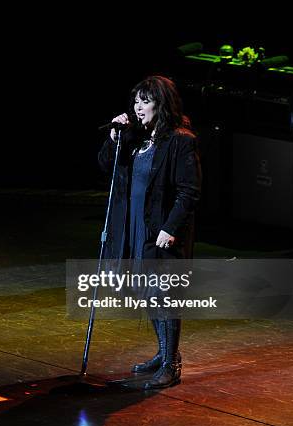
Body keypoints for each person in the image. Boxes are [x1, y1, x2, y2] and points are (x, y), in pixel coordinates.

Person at [98, 75, 201, 389]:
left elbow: (189, 192)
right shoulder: (133, 137)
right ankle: (164, 353)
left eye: (145, 101)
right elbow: (106, 166)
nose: (137, 107)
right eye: (136, 101)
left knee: (164, 297)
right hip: (135, 227)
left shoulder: (181, 140)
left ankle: (171, 365)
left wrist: (171, 228)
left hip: (161, 232)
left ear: (162, 103)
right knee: (148, 295)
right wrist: (114, 139)